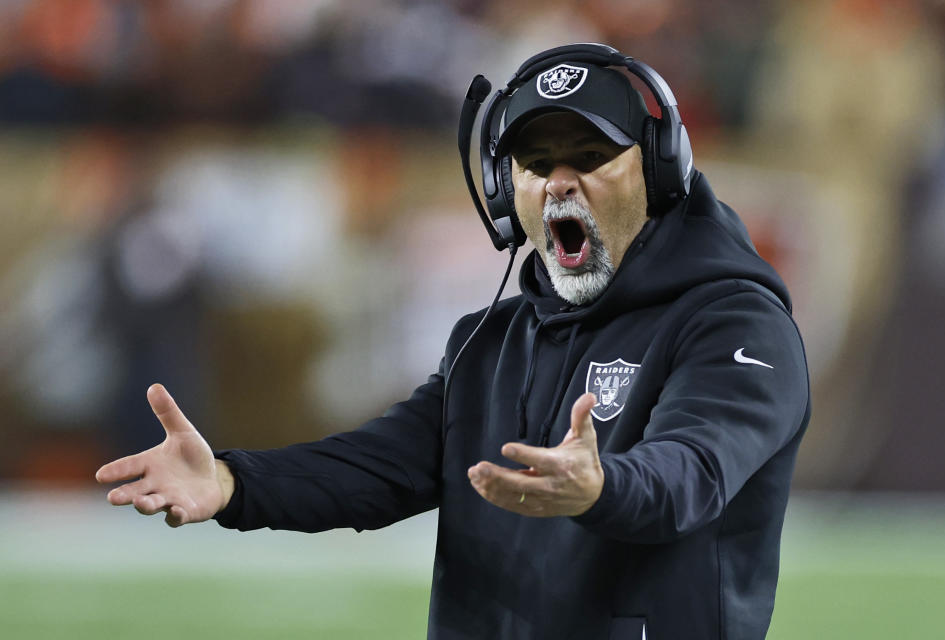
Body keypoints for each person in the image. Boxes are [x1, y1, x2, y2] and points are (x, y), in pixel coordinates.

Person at [96, 45, 810, 639]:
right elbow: (381, 465)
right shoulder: (491, 340)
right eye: (536, 164)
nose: (561, 183)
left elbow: (695, 471)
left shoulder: (736, 323)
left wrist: (602, 487)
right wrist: (233, 481)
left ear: (659, 174)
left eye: (591, 156)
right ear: (505, 191)